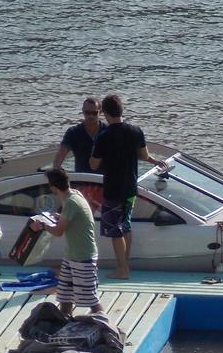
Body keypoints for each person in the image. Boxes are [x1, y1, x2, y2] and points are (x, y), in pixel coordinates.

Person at [88, 93, 164, 279]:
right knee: (126, 226)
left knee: (115, 231)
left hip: (113, 189)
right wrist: (154, 160)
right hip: (130, 186)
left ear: (105, 113)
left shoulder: (103, 136)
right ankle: (125, 264)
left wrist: (94, 149)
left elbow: (93, 165)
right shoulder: (136, 131)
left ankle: (122, 269)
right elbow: (144, 155)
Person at [39, 168, 103, 317]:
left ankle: (106, 325)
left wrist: (42, 225)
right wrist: (58, 217)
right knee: (64, 296)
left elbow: (58, 232)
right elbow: (69, 219)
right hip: (71, 256)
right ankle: (64, 322)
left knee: (90, 298)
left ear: (53, 187)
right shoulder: (75, 195)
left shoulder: (70, 202)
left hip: (83, 256)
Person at [52, 97, 107, 174]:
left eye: (94, 113)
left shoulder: (108, 131)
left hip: (103, 180)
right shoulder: (73, 132)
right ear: (83, 112)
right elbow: (60, 154)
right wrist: (55, 169)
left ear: (100, 112)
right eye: (87, 112)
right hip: (82, 179)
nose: (91, 116)